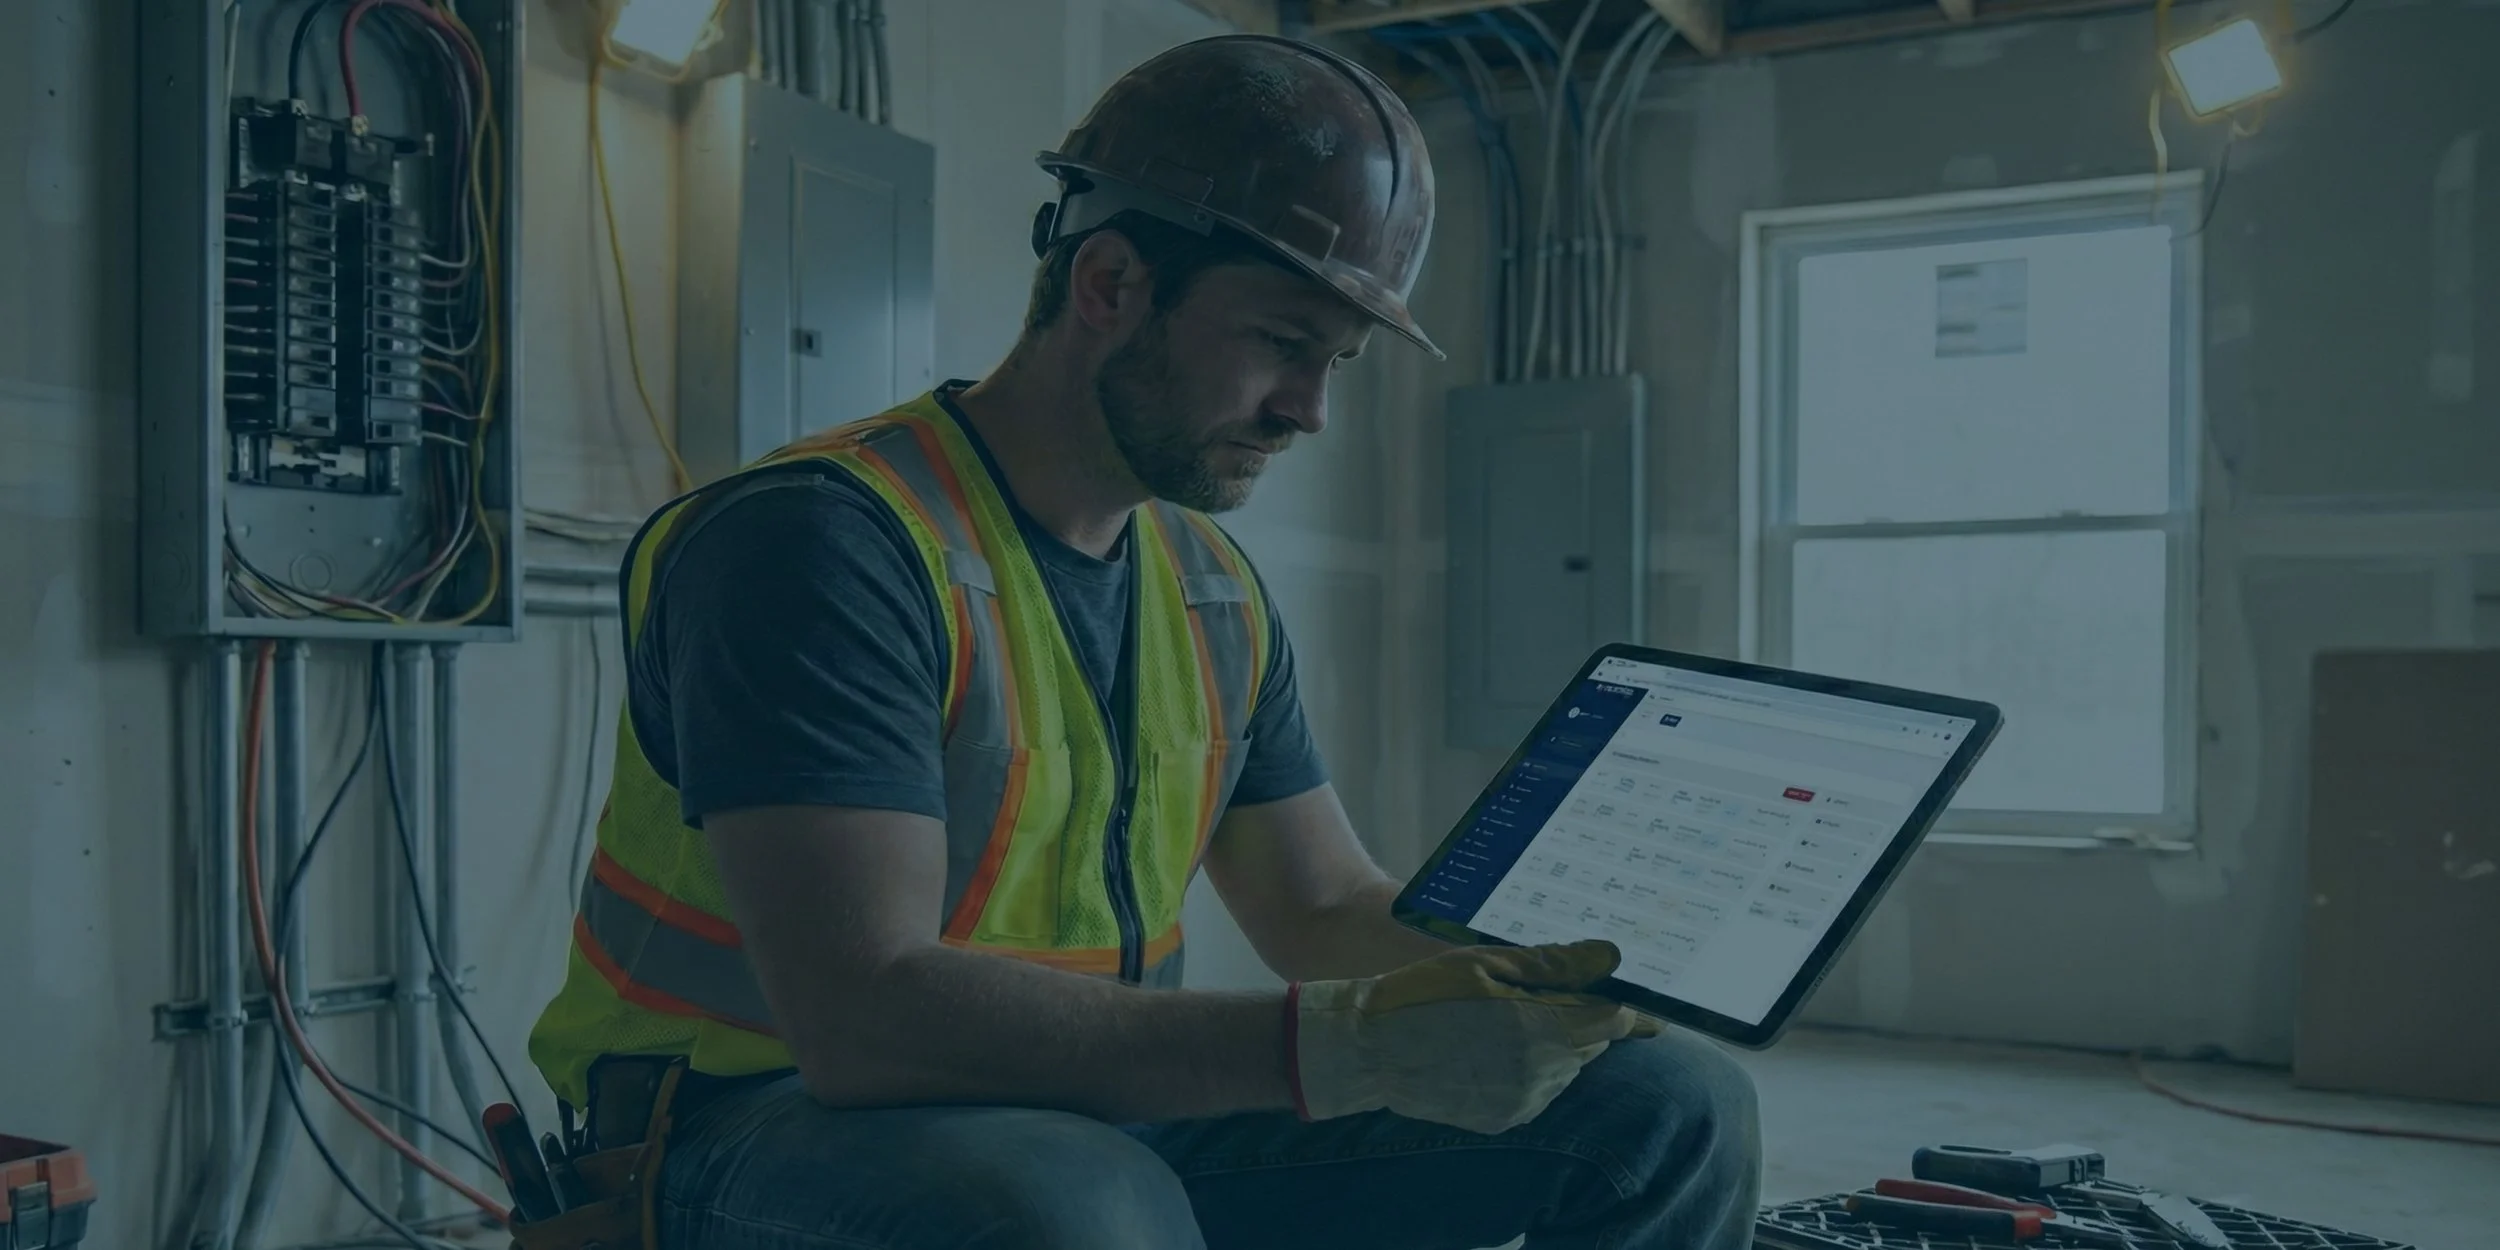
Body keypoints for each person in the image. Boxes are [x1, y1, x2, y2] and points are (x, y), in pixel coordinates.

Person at [527, 33, 1758, 1250]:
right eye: (1283, 341)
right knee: (1072, 1207)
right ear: (1110, 284)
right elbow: (866, 1014)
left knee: (1664, 1105)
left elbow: (1322, 900)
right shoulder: (819, 543)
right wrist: (1337, 1044)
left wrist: (1539, 988)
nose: (1309, 412)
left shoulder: (1207, 585)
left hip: (1068, 1097)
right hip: (750, 1120)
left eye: (1335, 360)